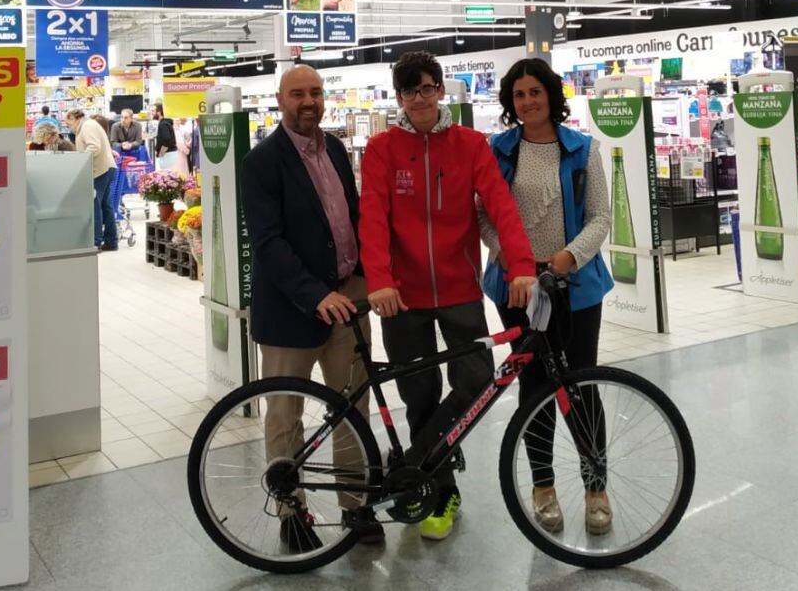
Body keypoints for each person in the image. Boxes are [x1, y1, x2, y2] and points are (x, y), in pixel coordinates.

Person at [359, 51, 536, 542]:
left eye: (428, 88)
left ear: (441, 91)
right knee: (419, 395)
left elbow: (499, 205)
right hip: (401, 296)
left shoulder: (471, 145)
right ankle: (439, 487)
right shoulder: (381, 149)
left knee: (477, 382)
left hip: (460, 290)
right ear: (399, 97)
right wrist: (379, 278)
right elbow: (372, 218)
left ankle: (416, 458)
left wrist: (520, 265)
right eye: (410, 90)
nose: (420, 98)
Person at [241, 65, 384, 552]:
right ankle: (291, 509)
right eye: (298, 93)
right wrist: (313, 293)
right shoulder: (262, 161)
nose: (309, 101)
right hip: (291, 310)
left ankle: (355, 503)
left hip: (347, 300)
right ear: (280, 101)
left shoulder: (338, 150)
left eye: (316, 93)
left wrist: (366, 277)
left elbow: (350, 218)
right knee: (285, 414)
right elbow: (268, 242)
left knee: (352, 406)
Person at [479, 57, 614, 537]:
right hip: (516, 288)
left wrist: (567, 258)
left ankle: (596, 487)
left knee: (580, 386)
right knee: (533, 388)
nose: (528, 101)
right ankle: (543, 486)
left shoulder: (582, 149)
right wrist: (514, 261)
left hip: (574, 287)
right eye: (519, 94)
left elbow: (601, 216)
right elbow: (484, 217)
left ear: (551, 96)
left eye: (535, 92)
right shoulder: (499, 151)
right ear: (510, 102)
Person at [65, 109, 118, 252]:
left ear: (74, 117)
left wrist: (80, 159)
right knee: (106, 206)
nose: (68, 126)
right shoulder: (89, 125)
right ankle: (111, 241)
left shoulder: (87, 126)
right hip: (106, 168)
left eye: (68, 122)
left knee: (95, 205)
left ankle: (96, 241)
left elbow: (94, 147)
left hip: (99, 171)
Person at [152, 103, 181, 173]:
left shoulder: (163, 124)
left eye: (153, 111)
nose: (151, 113)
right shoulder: (165, 123)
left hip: (168, 154)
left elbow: (167, 140)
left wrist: (161, 153)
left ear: (159, 112)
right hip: (169, 154)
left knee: (166, 176)